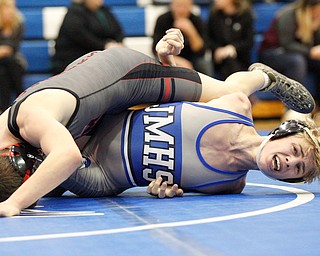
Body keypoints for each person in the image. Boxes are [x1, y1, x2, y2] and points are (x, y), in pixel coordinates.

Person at [0, 28, 315, 217]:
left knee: (47, 179)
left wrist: (14, 204)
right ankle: (261, 76)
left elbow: (65, 156)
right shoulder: (235, 115)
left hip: (120, 100)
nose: (288, 162)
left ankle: (261, 76)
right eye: (295, 154)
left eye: (297, 167)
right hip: (107, 101)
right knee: (51, 183)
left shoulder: (228, 184)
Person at [259, 0, 320, 100]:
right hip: (273, 53)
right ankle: (295, 104)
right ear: (310, 8)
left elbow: (314, 43)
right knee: (297, 61)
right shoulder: (289, 14)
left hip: (299, 54)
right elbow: (286, 44)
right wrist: (310, 52)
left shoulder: (315, 19)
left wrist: (315, 28)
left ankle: (317, 106)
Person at [51, 0, 125, 75]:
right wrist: (104, 46)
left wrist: (118, 43)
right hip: (73, 63)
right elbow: (80, 36)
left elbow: (117, 30)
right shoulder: (74, 12)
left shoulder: (103, 10)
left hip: (97, 61)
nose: (100, 2)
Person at [152, 0, 211, 75]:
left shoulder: (197, 20)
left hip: (192, 61)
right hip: (168, 58)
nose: (181, 10)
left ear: (191, 7)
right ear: (172, 6)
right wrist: (181, 62)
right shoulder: (163, 20)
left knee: (204, 64)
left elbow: (201, 51)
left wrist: (191, 32)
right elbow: (155, 50)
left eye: (185, 6)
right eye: (179, 6)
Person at [207, 0, 254, 80]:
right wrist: (217, 49)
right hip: (219, 59)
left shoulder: (245, 15)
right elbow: (208, 39)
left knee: (231, 60)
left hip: (240, 58)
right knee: (228, 61)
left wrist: (233, 47)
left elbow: (249, 41)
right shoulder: (214, 16)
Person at [0, 0, 26, 112]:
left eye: (13, 7)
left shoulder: (18, 23)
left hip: (13, 62)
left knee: (7, 67)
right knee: (7, 66)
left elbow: (12, 48)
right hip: (8, 63)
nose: (11, 11)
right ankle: (21, 99)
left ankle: (3, 109)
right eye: (7, 7)